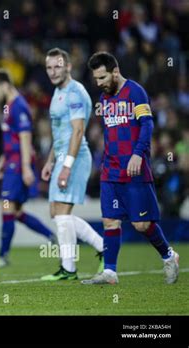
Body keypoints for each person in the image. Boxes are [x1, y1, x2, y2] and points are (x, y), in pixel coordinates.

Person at [82, 52, 179, 285]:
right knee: (110, 221)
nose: (99, 83)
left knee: (141, 224)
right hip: (111, 170)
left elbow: (147, 124)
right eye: (96, 79)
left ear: (115, 72)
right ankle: (110, 272)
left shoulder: (135, 92)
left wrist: (138, 154)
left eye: (103, 77)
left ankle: (169, 256)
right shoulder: (104, 99)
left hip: (135, 169)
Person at [40, 48, 104, 281]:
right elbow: (60, 133)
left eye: (57, 66)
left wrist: (66, 165)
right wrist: (50, 161)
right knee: (57, 213)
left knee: (62, 214)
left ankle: (94, 253)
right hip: (62, 156)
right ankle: (72, 265)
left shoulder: (75, 92)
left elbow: (78, 132)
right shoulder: (58, 92)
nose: (53, 71)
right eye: (49, 67)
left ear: (68, 67)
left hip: (75, 158)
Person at [0, 68, 54, 268]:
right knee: (15, 211)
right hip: (11, 162)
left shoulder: (19, 106)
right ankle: (51, 236)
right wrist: (0, 163)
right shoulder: (8, 107)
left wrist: (25, 168)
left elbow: (25, 138)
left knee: (6, 206)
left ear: (5, 85)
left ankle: (3, 255)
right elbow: (11, 139)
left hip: (18, 164)